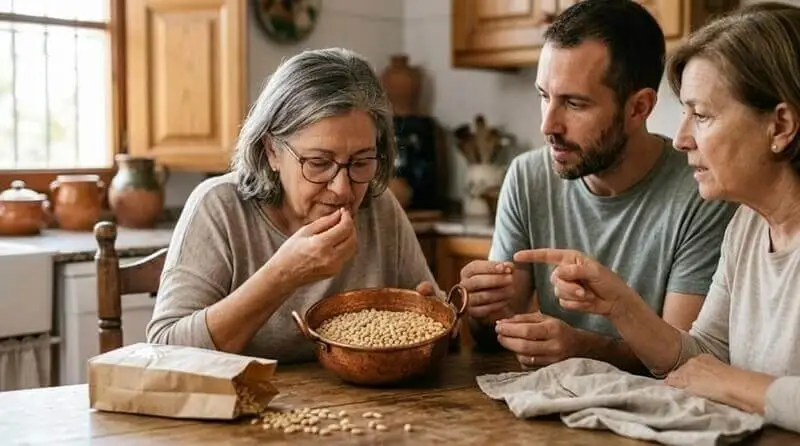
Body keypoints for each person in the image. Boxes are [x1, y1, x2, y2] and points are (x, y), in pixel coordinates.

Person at [516, 2, 800, 433]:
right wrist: (621, 306)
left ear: (779, 126)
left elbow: (713, 374)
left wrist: (731, 383)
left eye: (701, 115)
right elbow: (704, 355)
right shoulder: (748, 225)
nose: (682, 138)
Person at [460, 0, 738, 373]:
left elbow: (684, 360)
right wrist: (480, 311)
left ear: (639, 108)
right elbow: (494, 331)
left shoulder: (701, 193)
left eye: (574, 104)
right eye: (544, 96)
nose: (548, 126)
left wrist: (584, 348)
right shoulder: (527, 177)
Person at [146, 48, 439, 362]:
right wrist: (283, 274)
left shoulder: (379, 206)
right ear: (271, 151)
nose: (343, 189)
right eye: (319, 163)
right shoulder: (220, 208)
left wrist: (451, 316)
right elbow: (166, 351)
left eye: (361, 162)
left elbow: (433, 327)